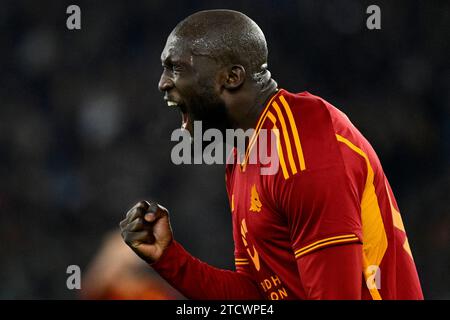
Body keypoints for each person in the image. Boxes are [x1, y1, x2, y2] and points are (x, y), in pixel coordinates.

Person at [119, 9, 423, 300]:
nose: (163, 82)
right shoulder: (245, 154)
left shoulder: (304, 149)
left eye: (176, 67)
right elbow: (260, 294)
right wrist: (169, 258)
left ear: (231, 77)